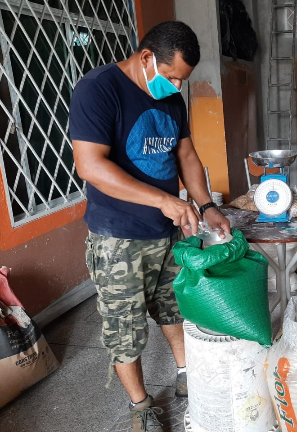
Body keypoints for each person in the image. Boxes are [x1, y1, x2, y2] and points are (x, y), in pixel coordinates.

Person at [69, 21, 230, 432]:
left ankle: (186, 374)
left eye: (182, 80)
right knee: (124, 326)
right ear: (146, 58)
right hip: (118, 236)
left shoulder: (171, 97)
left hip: (167, 231)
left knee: (174, 308)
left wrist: (206, 205)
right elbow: (90, 165)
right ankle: (140, 407)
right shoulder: (99, 89)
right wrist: (164, 200)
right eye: (172, 76)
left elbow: (186, 156)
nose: (176, 86)